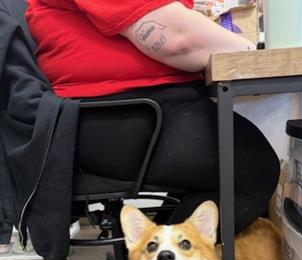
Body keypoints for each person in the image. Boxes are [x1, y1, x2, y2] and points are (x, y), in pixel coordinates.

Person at [25, 0, 280, 234]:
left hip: (124, 111)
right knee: (253, 171)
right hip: (118, 115)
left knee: (222, 172)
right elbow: (178, 39)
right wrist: (254, 54)